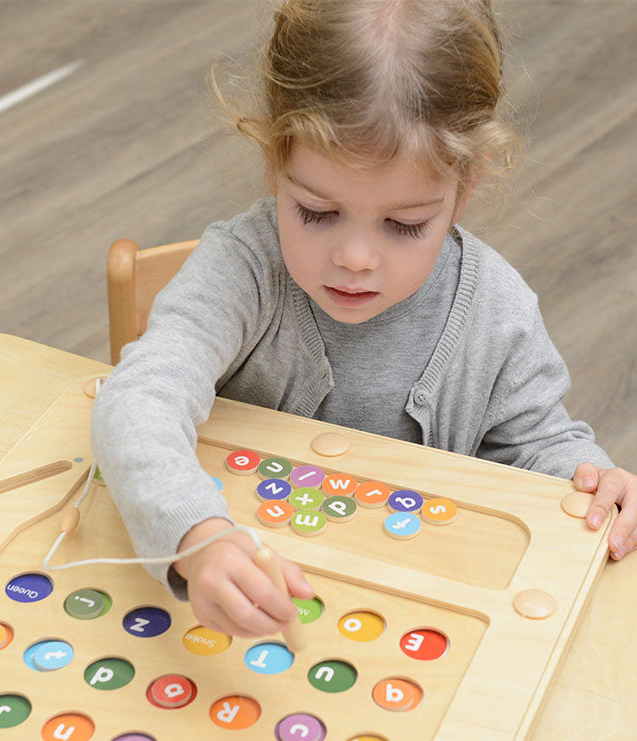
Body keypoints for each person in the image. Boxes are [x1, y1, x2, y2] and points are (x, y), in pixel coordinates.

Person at [92, 0, 637, 638]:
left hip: (409, 622)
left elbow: (537, 447)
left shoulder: (498, 311)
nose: (354, 259)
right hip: (241, 612)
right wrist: (199, 536)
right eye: (317, 212)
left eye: (405, 224)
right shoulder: (242, 271)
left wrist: (595, 483)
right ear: (274, 160)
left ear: (466, 186)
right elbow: (137, 402)